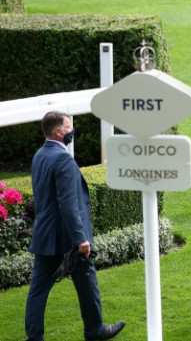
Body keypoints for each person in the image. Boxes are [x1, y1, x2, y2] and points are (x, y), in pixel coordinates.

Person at [25, 111, 126, 341]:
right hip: (69, 239)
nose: (72, 130)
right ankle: (95, 330)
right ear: (59, 132)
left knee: (38, 290)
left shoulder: (40, 155)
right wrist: (81, 239)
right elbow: (68, 204)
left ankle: (34, 338)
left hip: (45, 237)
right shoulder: (63, 160)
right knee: (87, 280)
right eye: (69, 126)